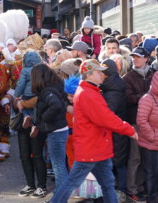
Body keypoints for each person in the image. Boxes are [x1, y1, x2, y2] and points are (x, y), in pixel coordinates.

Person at [49, 59, 138, 203]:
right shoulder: (88, 94)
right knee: (75, 182)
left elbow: (105, 118)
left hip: (96, 148)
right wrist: (128, 129)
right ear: (89, 75)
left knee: (106, 184)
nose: (103, 75)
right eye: (98, 72)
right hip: (91, 148)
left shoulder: (89, 91)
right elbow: (106, 118)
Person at [30, 64, 68, 195]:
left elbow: (56, 106)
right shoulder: (55, 87)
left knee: (58, 166)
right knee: (59, 164)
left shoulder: (47, 91)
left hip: (55, 131)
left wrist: (44, 119)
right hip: (60, 129)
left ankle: (60, 196)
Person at [14, 51, 47, 198]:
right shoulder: (40, 71)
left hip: (36, 116)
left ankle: (40, 185)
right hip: (30, 117)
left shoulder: (28, 71)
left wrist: (17, 97)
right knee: (25, 154)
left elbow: (20, 87)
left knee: (36, 154)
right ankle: (32, 185)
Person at [123, 46, 154, 201]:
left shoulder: (152, 74)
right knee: (135, 157)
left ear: (146, 58)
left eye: (138, 56)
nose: (135, 59)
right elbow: (128, 99)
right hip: (135, 122)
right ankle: (132, 189)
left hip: (151, 123)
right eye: (133, 56)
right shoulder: (128, 77)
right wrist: (148, 97)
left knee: (146, 157)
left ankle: (142, 187)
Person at [100, 59, 130, 198]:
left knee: (118, 162)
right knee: (118, 162)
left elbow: (107, 114)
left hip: (116, 133)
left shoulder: (112, 92)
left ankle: (121, 189)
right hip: (118, 132)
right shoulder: (113, 85)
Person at [136, 72, 158, 203]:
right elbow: (141, 121)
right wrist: (153, 137)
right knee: (152, 174)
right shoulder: (147, 99)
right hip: (151, 144)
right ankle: (152, 199)